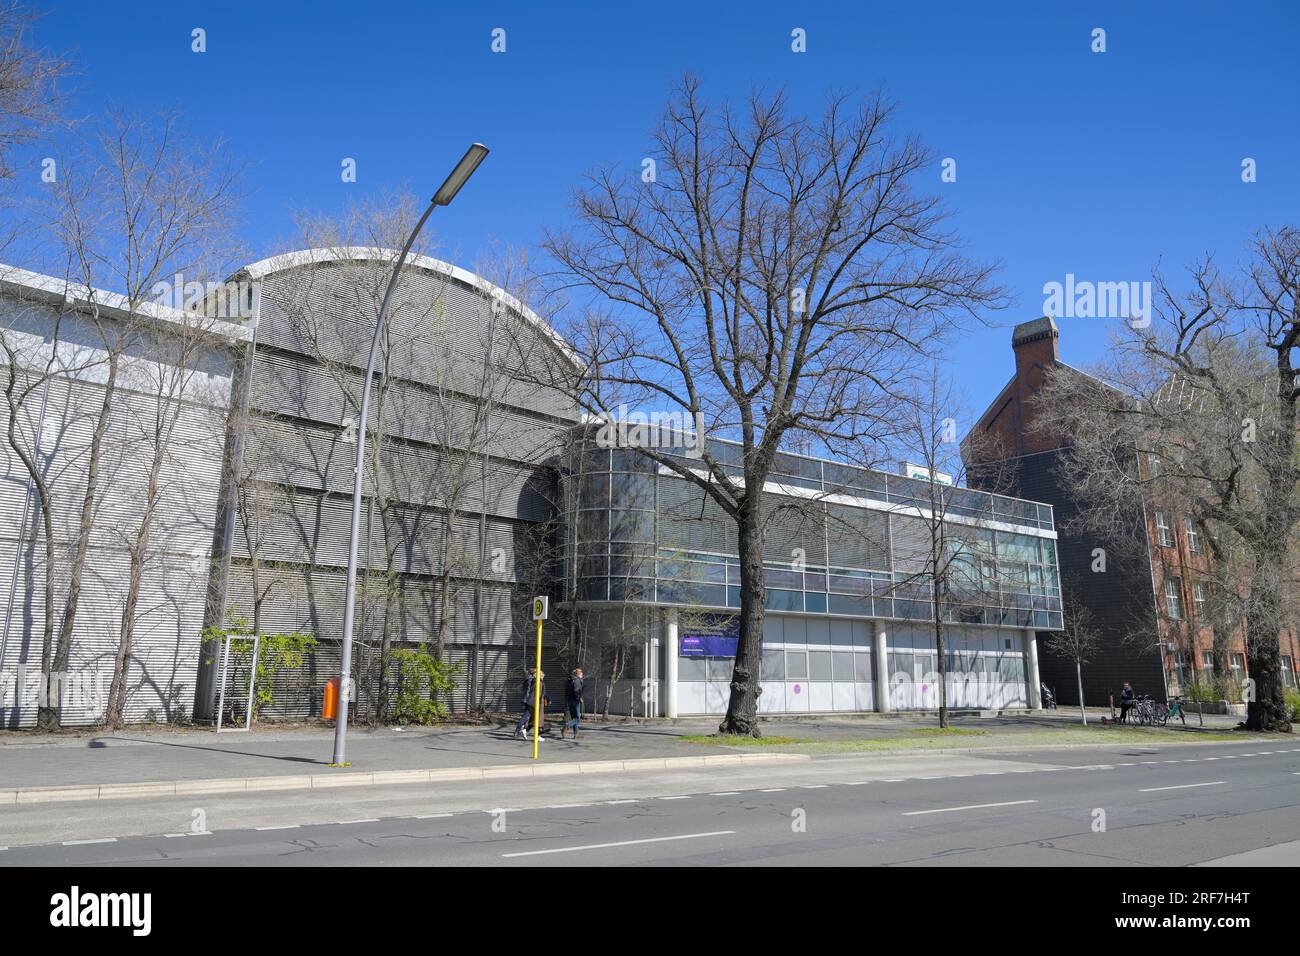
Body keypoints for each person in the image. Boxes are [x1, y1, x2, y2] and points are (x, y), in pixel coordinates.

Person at [514, 667, 549, 739]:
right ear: (534, 674)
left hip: (529, 700)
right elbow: (531, 692)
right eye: (540, 675)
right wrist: (527, 700)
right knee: (528, 717)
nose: (542, 677)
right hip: (531, 701)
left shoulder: (530, 679)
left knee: (530, 717)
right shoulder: (532, 680)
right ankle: (520, 731)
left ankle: (526, 731)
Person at [561, 667, 585, 740]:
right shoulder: (577, 680)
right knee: (577, 718)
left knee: (574, 717)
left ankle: (576, 734)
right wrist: (579, 698)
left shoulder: (570, 680)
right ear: (578, 673)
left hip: (569, 700)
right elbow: (577, 691)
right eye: (581, 673)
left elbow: (566, 691)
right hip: (575, 701)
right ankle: (567, 726)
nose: (582, 674)